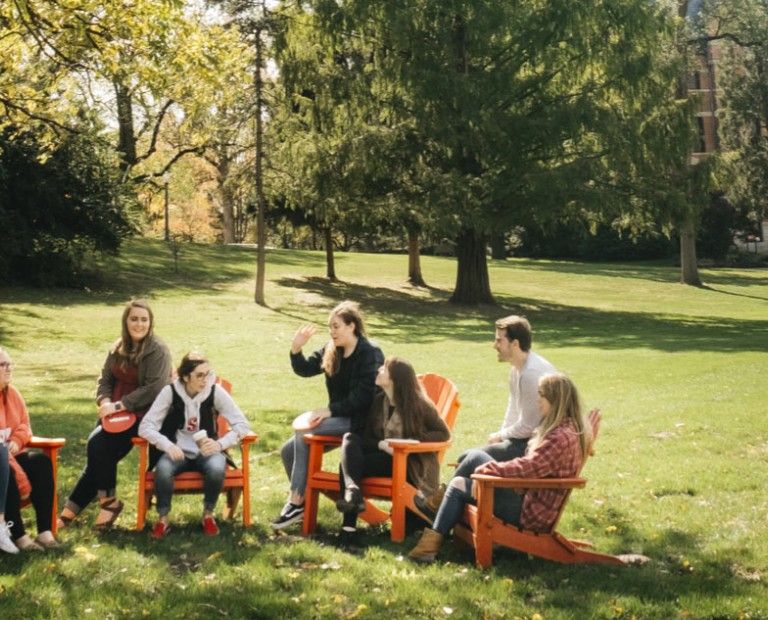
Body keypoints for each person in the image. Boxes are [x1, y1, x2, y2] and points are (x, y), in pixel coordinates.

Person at [407, 373, 593, 563]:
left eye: (541, 395)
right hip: (527, 499)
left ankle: (433, 509)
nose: (538, 400)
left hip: (529, 511)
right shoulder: (563, 429)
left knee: (473, 458)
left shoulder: (560, 437)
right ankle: (427, 548)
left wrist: (492, 469)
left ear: (556, 400)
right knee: (459, 482)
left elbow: (530, 467)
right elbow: (533, 467)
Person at [415, 315, 556, 520]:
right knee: (469, 456)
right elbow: (513, 410)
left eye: (499, 340)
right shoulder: (517, 370)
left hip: (535, 446)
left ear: (515, 344)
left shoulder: (531, 374)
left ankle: (439, 503)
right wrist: (501, 435)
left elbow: (528, 425)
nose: (494, 345)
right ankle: (443, 503)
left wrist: (501, 435)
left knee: (470, 457)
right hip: (524, 439)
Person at [58, 299, 172, 530]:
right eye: (134, 319)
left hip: (145, 414)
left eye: (144, 319)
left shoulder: (158, 350)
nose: (139, 324)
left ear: (150, 323)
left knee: (98, 446)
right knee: (100, 456)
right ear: (126, 321)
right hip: (115, 412)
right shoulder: (118, 347)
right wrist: (105, 401)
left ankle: (105, 503)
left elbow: (153, 389)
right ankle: (74, 511)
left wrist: (119, 406)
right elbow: (105, 380)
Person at [272, 300, 384, 530]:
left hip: (361, 422)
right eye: (330, 327)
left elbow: (364, 397)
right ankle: (302, 504)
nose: (332, 332)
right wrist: (296, 349)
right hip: (339, 419)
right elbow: (305, 369)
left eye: (336, 326)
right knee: (287, 450)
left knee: (304, 432)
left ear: (351, 326)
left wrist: (330, 410)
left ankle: (295, 501)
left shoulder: (370, 353)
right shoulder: (331, 350)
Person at [335, 357, 450, 543]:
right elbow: (366, 438)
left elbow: (443, 433)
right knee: (350, 442)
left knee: (349, 466)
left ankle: (348, 528)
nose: (379, 370)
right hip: (384, 459)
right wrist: (381, 445)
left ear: (395, 378)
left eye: (384, 368)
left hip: (408, 465)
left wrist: (407, 442)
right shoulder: (379, 401)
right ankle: (353, 491)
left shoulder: (419, 404)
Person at [138, 353, 252, 538]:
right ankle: (163, 518)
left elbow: (242, 425)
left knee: (216, 468)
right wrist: (167, 445)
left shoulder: (215, 391)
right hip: (177, 450)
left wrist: (219, 444)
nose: (205, 379)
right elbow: (146, 426)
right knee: (164, 470)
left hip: (207, 451)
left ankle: (208, 515)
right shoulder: (171, 392)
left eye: (208, 373)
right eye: (199, 375)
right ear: (185, 377)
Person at [0, 347, 58, 551]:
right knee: (7, 476)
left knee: (41, 463)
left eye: (9, 364)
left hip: (14, 454)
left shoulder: (13, 394)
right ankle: (19, 536)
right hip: (2, 463)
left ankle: (45, 532)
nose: (8, 368)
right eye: (2, 365)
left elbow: (25, 425)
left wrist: (16, 440)